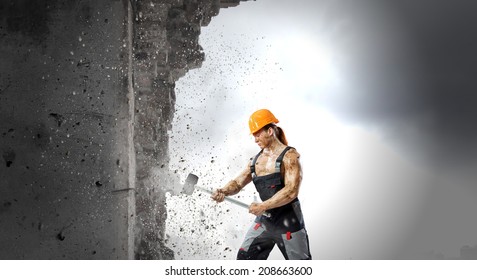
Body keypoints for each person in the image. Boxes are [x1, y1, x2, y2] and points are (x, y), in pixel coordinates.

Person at [211, 109, 311, 260]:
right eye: (254, 136)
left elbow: (291, 191)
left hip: (289, 220)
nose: (255, 139)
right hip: (266, 220)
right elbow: (237, 183)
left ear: (270, 131)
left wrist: (263, 206)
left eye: (257, 134)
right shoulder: (255, 161)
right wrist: (223, 191)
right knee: (245, 258)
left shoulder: (289, 156)